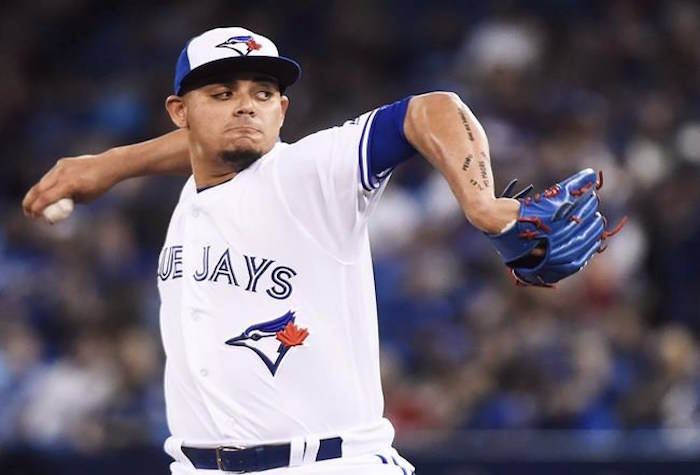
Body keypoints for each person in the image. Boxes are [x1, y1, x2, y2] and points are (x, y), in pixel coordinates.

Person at [22, 26, 609, 474]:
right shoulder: (192, 196)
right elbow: (207, 149)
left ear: (283, 109)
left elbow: (433, 109)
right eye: (222, 92)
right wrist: (109, 164)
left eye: (264, 92)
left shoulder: (310, 171)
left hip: (328, 465)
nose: (246, 104)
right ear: (180, 113)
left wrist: (481, 203)